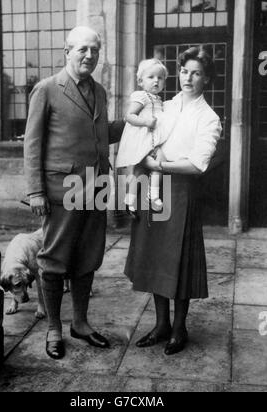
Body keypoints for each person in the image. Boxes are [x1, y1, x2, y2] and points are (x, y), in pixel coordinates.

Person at [24, 26, 123, 360]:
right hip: (60, 190)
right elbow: (33, 144)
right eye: (83, 49)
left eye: (95, 50)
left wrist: (137, 120)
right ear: (67, 51)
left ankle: (80, 323)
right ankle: (54, 328)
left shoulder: (100, 91)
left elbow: (100, 134)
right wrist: (35, 191)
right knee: (53, 260)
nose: (89, 56)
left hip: (96, 188)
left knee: (89, 257)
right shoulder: (47, 89)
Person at [124, 46, 222, 355]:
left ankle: (179, 328)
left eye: (196, 72)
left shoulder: (209, 118)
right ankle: (161, 324)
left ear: (206, 78)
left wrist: (160, 166)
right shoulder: (163, 105)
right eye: (184, 71)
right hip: (153, 189)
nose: (188, 77)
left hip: (181, 191)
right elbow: (139, 135)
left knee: (178, 262)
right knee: (155, 257)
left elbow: (197, 165)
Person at [116, 59, 173, 215]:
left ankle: (152, 195)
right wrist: (146, 122)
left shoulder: (159, 100)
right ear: (140, 81)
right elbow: (129, 116)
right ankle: (129, 199)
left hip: (155, 141)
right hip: (142, 139)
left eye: (160, 78)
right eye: (151, 77)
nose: (156, 80)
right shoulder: (141, 96)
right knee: (139, 170)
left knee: (159, 163)